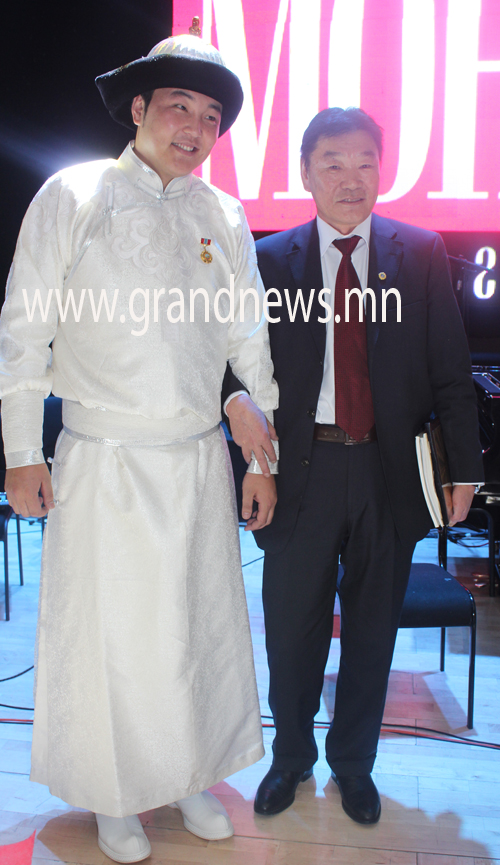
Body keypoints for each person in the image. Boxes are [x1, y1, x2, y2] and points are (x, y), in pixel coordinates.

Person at [0, 29, 278, 862]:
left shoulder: (221, 213)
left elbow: (248, 337)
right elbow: (24, 330)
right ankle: (113, 793)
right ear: (138, 108)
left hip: (194, 459)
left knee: (193, 630)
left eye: (211, 116)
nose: (195, 128)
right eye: (178, 107)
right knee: (113, 635)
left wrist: (260, 458)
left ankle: (189, 771)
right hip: (105, 460)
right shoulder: (75, 194)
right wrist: (22, 450)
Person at [248, 107, 483, 824]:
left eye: (364, 163)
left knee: (373, 631)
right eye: (333, 163)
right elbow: (239, 369)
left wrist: (465, 470)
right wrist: (249, 450)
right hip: (302, 470)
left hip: (389, 472)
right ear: (305, 173)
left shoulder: (420, 252)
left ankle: (354, 765)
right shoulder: (270, 260)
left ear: (382, 170)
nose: (350, 179)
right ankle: (291, 756)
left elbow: (450, 370)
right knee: (292, 631)